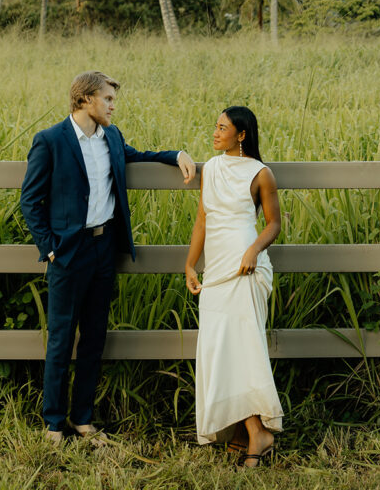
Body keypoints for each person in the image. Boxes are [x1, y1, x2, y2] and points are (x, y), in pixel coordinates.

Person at [20, 70, 196, 445]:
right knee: (61, 339)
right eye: (108, 99)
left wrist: (176, 154)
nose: (114, 106)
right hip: (68, 253)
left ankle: (83, 420)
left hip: (104, 250)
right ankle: (54, 424)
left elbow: (138, 156)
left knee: (94, 338)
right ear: (85, 99)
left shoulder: (111, 136)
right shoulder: (50, 141)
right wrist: (50, 248)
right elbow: (30, 201)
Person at [185, 106, 283, 467]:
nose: (215, 132)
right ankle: (244, 431)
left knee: (243, 349)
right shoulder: (209, 168)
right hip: (216, 272)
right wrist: (190, 264)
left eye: (223, 128)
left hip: (245, 268)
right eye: (216, 126)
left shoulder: (261, 174)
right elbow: (202, 220)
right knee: (220, 349)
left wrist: (254, 250)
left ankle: (259, 431)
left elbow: (273, 223)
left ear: (241, 135)